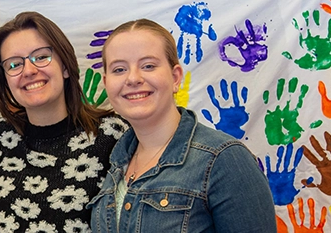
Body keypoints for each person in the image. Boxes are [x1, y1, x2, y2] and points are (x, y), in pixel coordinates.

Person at [88, 18, 276, 232]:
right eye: (119, 69)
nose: (133, 78)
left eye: (148, 66)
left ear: (176, 77)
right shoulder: (115, 161)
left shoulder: (223, 159)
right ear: (106, 83)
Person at [0, 11, 129, 232]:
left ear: (64, 66)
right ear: (5, 80)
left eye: (41, 57)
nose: (29, 71)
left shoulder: (113, 135)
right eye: (14, 65)